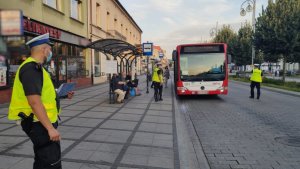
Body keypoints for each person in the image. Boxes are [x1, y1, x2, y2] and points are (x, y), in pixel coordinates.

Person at [8, 33, 74, 169]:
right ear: (44, 50)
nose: (51, 52)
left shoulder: (37, 68)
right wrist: (50, 129)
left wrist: (62, 95)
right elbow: (34, 102)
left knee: (42, 161)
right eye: (50, 49)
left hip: (40, 122)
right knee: (51, 163)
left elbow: (42, 95)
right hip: (39, 124)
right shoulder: (31, 69)